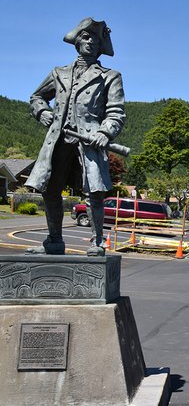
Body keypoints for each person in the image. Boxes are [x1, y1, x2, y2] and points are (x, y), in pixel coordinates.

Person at [25, 18, 126, 256]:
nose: (90, 42)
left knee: (94, 192)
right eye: (86, 36)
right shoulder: (58, 73)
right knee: (50, 189)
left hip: (89, 141)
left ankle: (97, 242)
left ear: (102, 45)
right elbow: (37, 97)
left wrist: (105, 131)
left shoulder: (109, 76)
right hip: (58, 139)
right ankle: (54, 240)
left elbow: (116, 111)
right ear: (77, 41)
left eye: (96, 39)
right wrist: (42, 112)